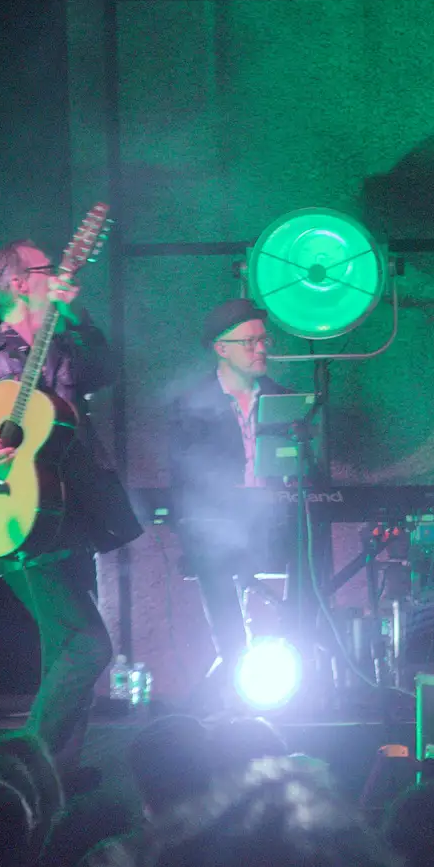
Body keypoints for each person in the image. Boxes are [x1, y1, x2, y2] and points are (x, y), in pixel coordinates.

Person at [0, 239, 140, 775]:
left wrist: (74, 312)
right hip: (11, 517)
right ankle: (15, 770)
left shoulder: (65, 349)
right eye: (46, 267)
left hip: (73, 513)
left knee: (67, 657)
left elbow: (107, 368)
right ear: (17, 283)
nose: (57, 271)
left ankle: (53, 784)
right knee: (87, 650)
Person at [166, 300, 293, 705]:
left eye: (264, 340)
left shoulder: (284, 398)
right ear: (221, 348)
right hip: (216, 521)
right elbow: (183, 475)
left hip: (275, 517)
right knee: (216, 565)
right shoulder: (191, 403)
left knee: (309, 568)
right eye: (250, 341)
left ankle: (289, 673)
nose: (261, 349)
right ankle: (234, 677)